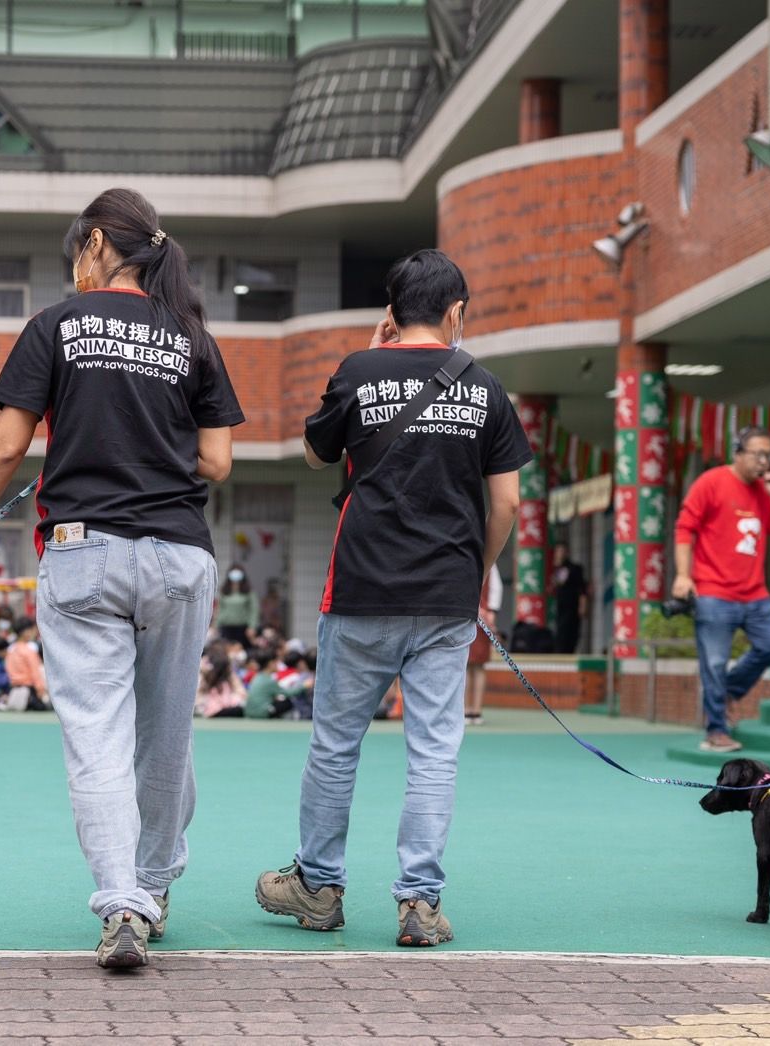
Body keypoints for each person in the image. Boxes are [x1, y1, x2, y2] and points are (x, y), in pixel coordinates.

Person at [0, 187, 243, 968]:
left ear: (97, 243)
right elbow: (218, 461)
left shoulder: (57, 325)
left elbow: (4, 451)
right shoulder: (191, 336)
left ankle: (121, 903)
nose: (76, 266)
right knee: (166, 738)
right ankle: (155, 886)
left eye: (77, 251)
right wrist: (148, 442)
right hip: (177, 554)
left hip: (84, 551)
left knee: (97, 738)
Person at [254, 248, 528, 948]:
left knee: (336, 744)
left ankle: (317, 887)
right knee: (434, 750)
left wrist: (368, 357)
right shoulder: (489, 389)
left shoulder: (356, 370)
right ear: (455, 312)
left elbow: (317, 454)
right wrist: (476, 573)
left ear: (391, 312)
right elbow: (506, 505)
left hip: (361, 591)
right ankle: (419, 903)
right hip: (445, 597)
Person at [672, 425, 770, 754]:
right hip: (713, 592)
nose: (764, 461)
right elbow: (685, 529)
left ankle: (727, 693)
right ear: (738, 453)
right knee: (713, 662)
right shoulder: (711, 483)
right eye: (757, 454)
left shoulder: (763, 491)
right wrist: (684, 576)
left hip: (754, 593)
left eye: (768, 454)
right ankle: (716, 730)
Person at [463, 567, 500, 725]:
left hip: (483, 619)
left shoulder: (491, 563)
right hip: (464, 615)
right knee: (463, 665)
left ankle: (476, 710)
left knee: (478, 665)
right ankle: (463, 710)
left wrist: (490, 611)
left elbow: (496, 588)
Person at [0, 615, 48, 711]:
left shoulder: (11, 649)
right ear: (25, 632)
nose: (35, 632)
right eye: (32, 630)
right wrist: (40, 690)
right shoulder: (29, 649)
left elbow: (7, 670)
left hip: (13, 689)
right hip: (29, 691)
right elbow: (36, 672)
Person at [550, 542, 589, 654]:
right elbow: (554, 586)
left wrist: (583, 605)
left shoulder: (574, 568)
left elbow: (582, 589)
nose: (559, 554)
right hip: (561, 606)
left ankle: (569, 652)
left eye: (561, 551)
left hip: (572, 605)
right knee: (560, 631)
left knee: (572, 632)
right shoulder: (556, 569)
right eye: (558, 551)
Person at [196, 641, 247, 717]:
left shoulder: (230, 676)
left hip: (227, 706)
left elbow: (242, 694)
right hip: (209, 708)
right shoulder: (202, 672)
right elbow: (198, 698)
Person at [215, 568, 259, 648]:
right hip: (226, 627)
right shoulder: (224, 591)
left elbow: (253, 610)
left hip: (242, 628)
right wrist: (216, 625)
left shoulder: (248, 592)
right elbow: (219, 609)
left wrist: (252, 626)